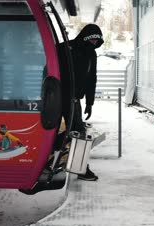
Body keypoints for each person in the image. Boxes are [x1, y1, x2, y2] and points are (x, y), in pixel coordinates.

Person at [57, 24, 104, 181]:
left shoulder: (92, 55)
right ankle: (78, 167)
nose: (95, 44)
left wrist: (90, 103)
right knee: (71, 131)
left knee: (77, 131)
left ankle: (78, 167)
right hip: (57, 96)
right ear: (86, 37)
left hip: (74, 99)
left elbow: (92, 79)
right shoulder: (65, 48)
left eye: (98, 41)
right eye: (93, 40)